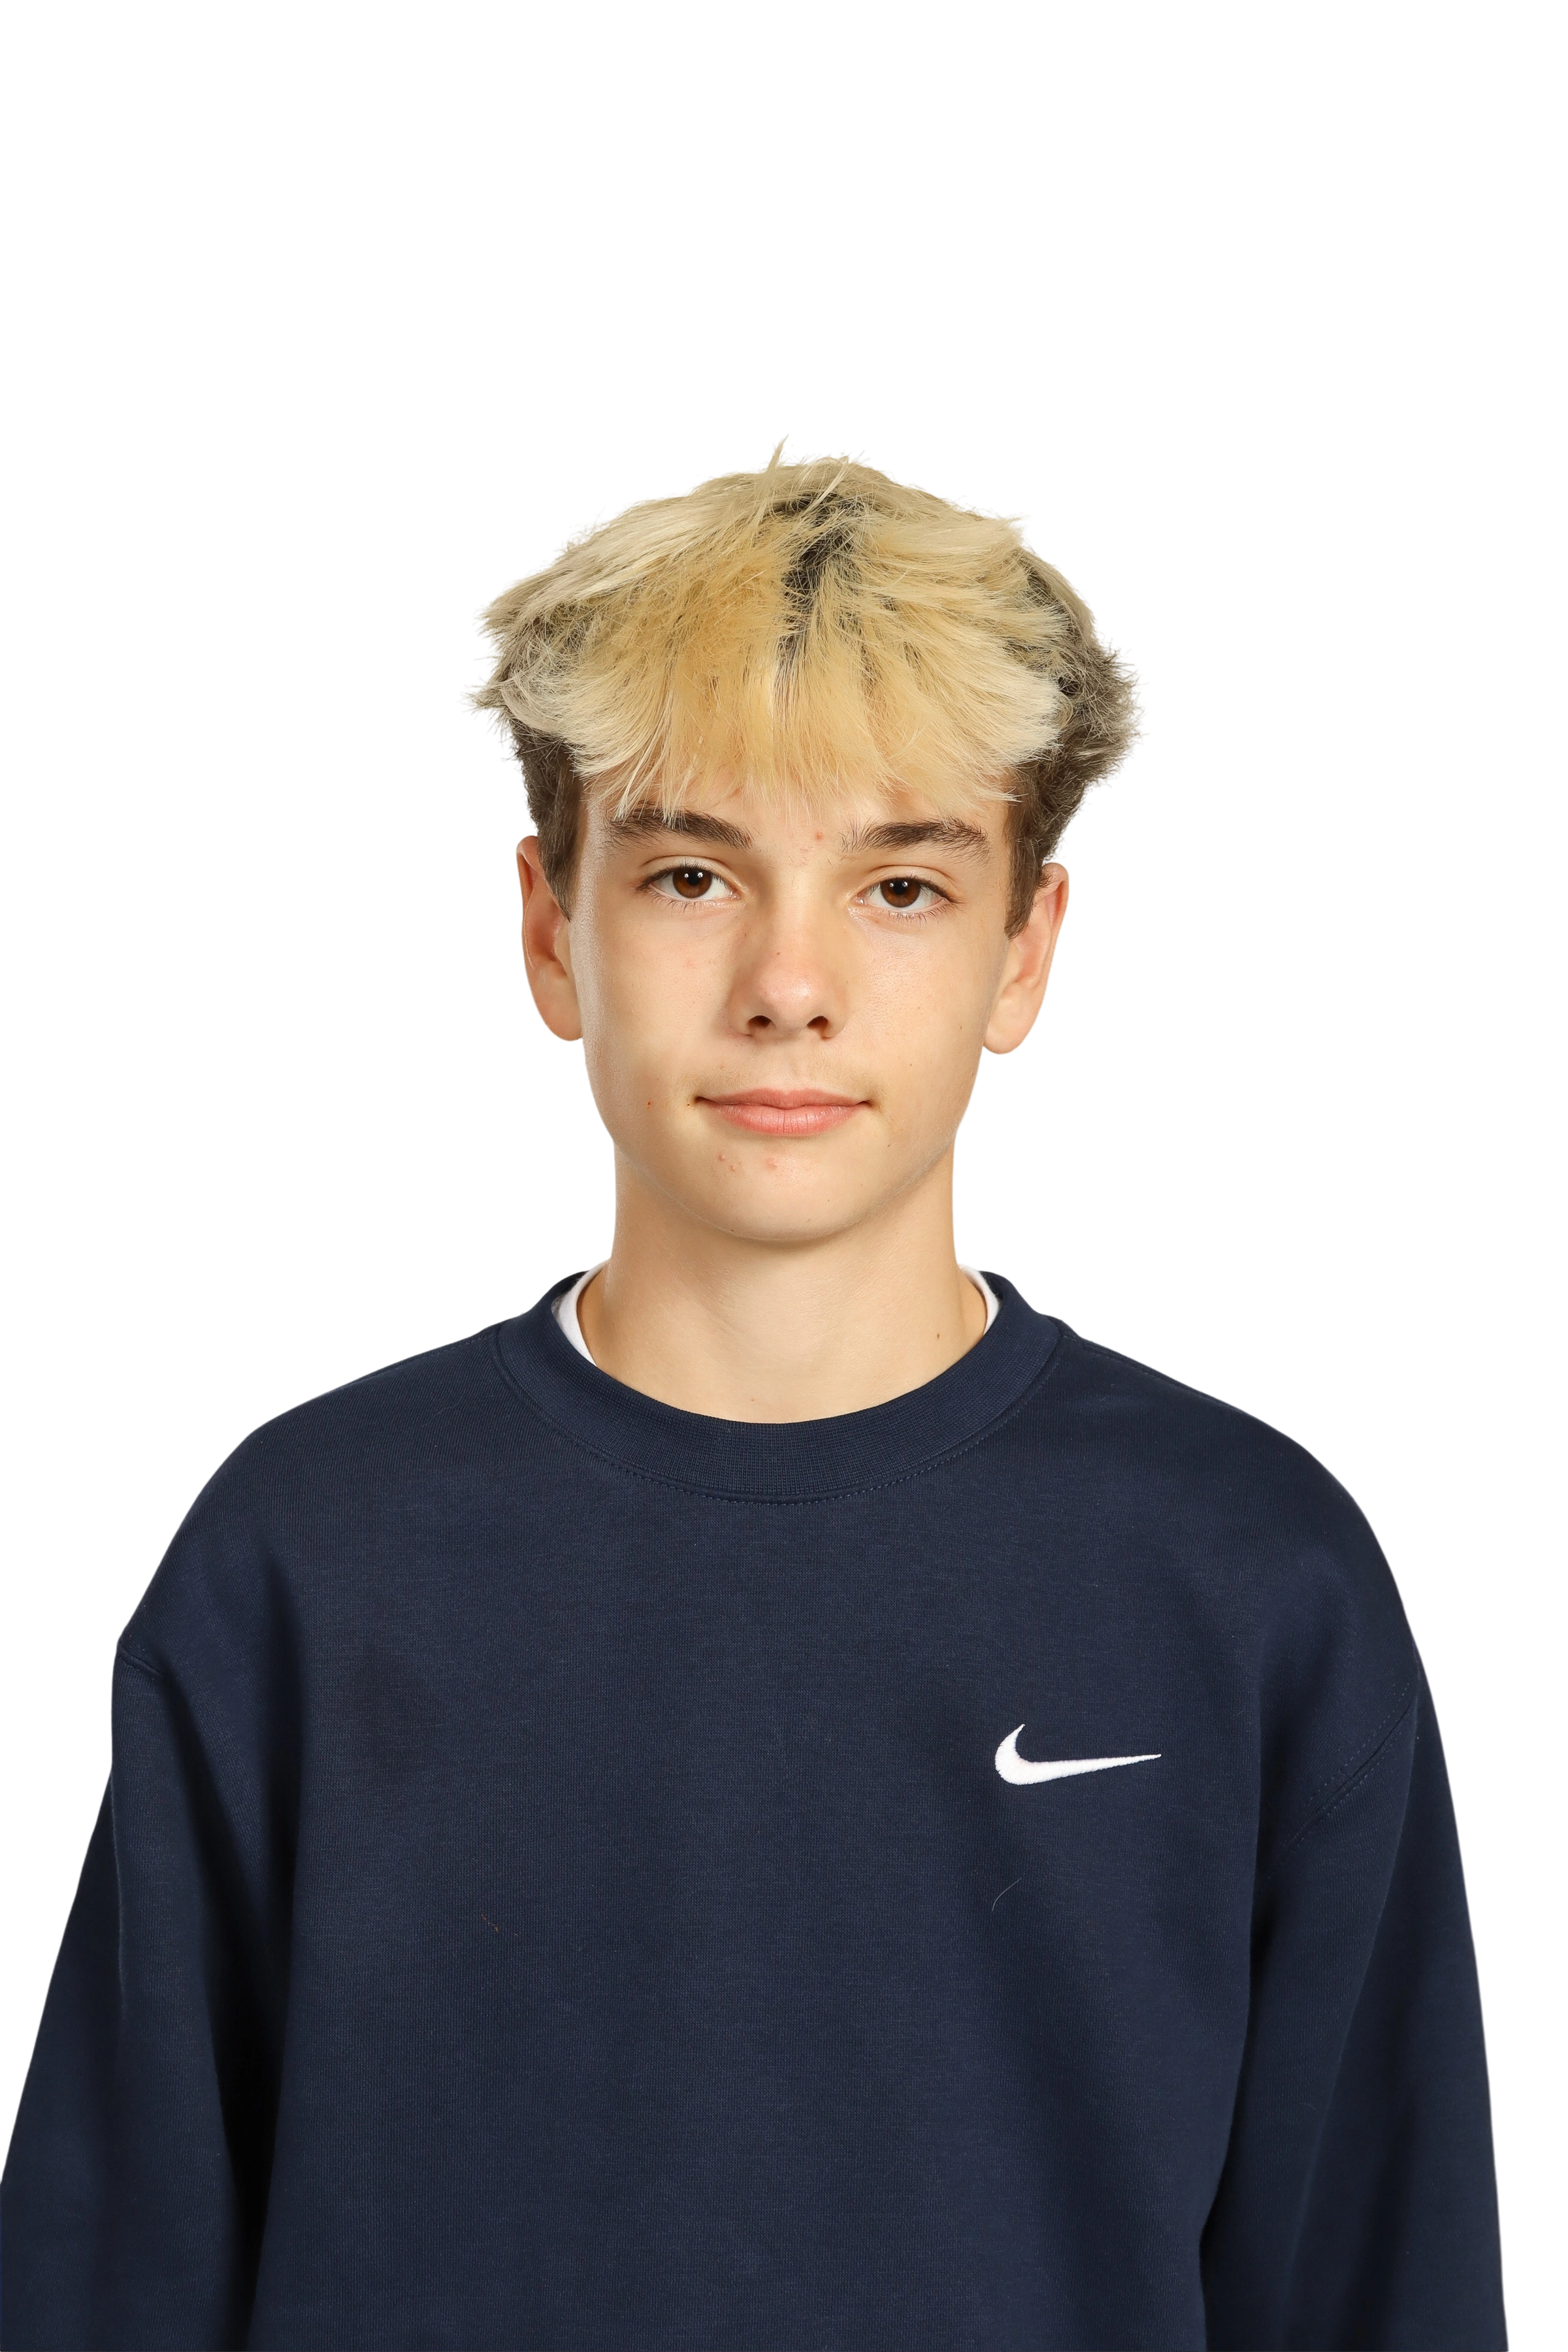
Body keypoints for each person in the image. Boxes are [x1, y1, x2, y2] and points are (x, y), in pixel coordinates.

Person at [0, 440, 1505, 2351]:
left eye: (901, 885)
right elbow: (112, 2277)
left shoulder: (1251, 1564)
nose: (789, 985)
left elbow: (1385, 2288)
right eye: (694, 874)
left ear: (1028, 951)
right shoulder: (312, 1549)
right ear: (551, 930)